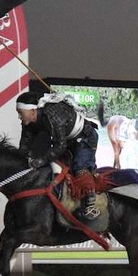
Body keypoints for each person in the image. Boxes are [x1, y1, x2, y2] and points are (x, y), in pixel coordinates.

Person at [16, 90, 100, 223]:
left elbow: (59, 147)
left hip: (85, 138)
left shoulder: (53, 116)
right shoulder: (29, 123)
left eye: (21, 113)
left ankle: (90, 206)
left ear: (32, 111)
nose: (19, 117)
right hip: (69, 140)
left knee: (79, 167)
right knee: (56, 168)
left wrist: (41, 159)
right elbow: (25, 146)